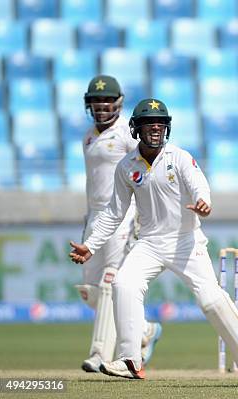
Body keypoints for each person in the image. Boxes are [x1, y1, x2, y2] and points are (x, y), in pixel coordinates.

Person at [69, 98, 238, 381]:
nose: (156, 129)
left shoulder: (179, 157)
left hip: (186, 241)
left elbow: (199, 185)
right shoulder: (126, 166)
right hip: (149, 242)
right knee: (123, 283)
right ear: (136, 129)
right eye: (149, 124)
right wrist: (92, 245)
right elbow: (114, 212)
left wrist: (203, 202)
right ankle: (130, 360)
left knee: (210, 299)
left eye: (160, 124)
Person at [76, 75, 161, 373]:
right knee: (90, 290)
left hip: (122, 216)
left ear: (118, 102)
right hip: (95, 217)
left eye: (106, 100)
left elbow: (144, 170)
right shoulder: (88, 136)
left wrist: (140, 211)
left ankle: (99, 354)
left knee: (109, 282)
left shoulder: (127, 131)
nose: (101, 106)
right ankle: (145, 331)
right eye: (96, 101)